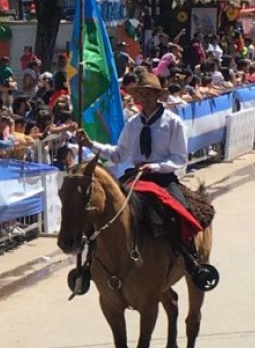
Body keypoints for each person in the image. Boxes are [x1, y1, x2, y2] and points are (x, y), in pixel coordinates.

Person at [77, 71, 217, 286]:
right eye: (142, 93)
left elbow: (179, 158)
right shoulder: (133, 123)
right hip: (136, 177)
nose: (145, 97)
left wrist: (156, 166)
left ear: (158, 96)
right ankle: (88, 264)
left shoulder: (173, 123)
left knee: (179, 212)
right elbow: (118, 154)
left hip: (163, 178)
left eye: (150, 93)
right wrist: (90, 144)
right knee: (105, 211)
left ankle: (191, 260)